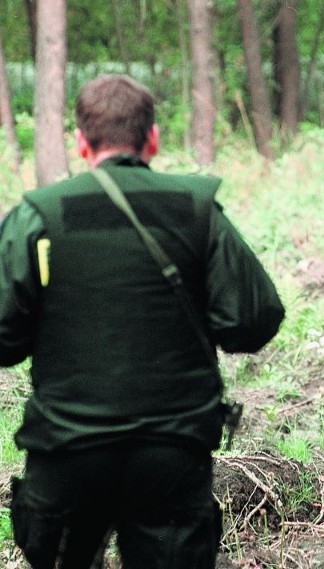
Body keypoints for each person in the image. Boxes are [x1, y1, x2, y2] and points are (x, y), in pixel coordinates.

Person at [1, 74, 285, 568]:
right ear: (152, 137)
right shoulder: (197, 211)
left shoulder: (38, 215)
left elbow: (2, 338)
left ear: (80, 143)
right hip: (171, 456)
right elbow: (253, 321)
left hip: (68, 453)